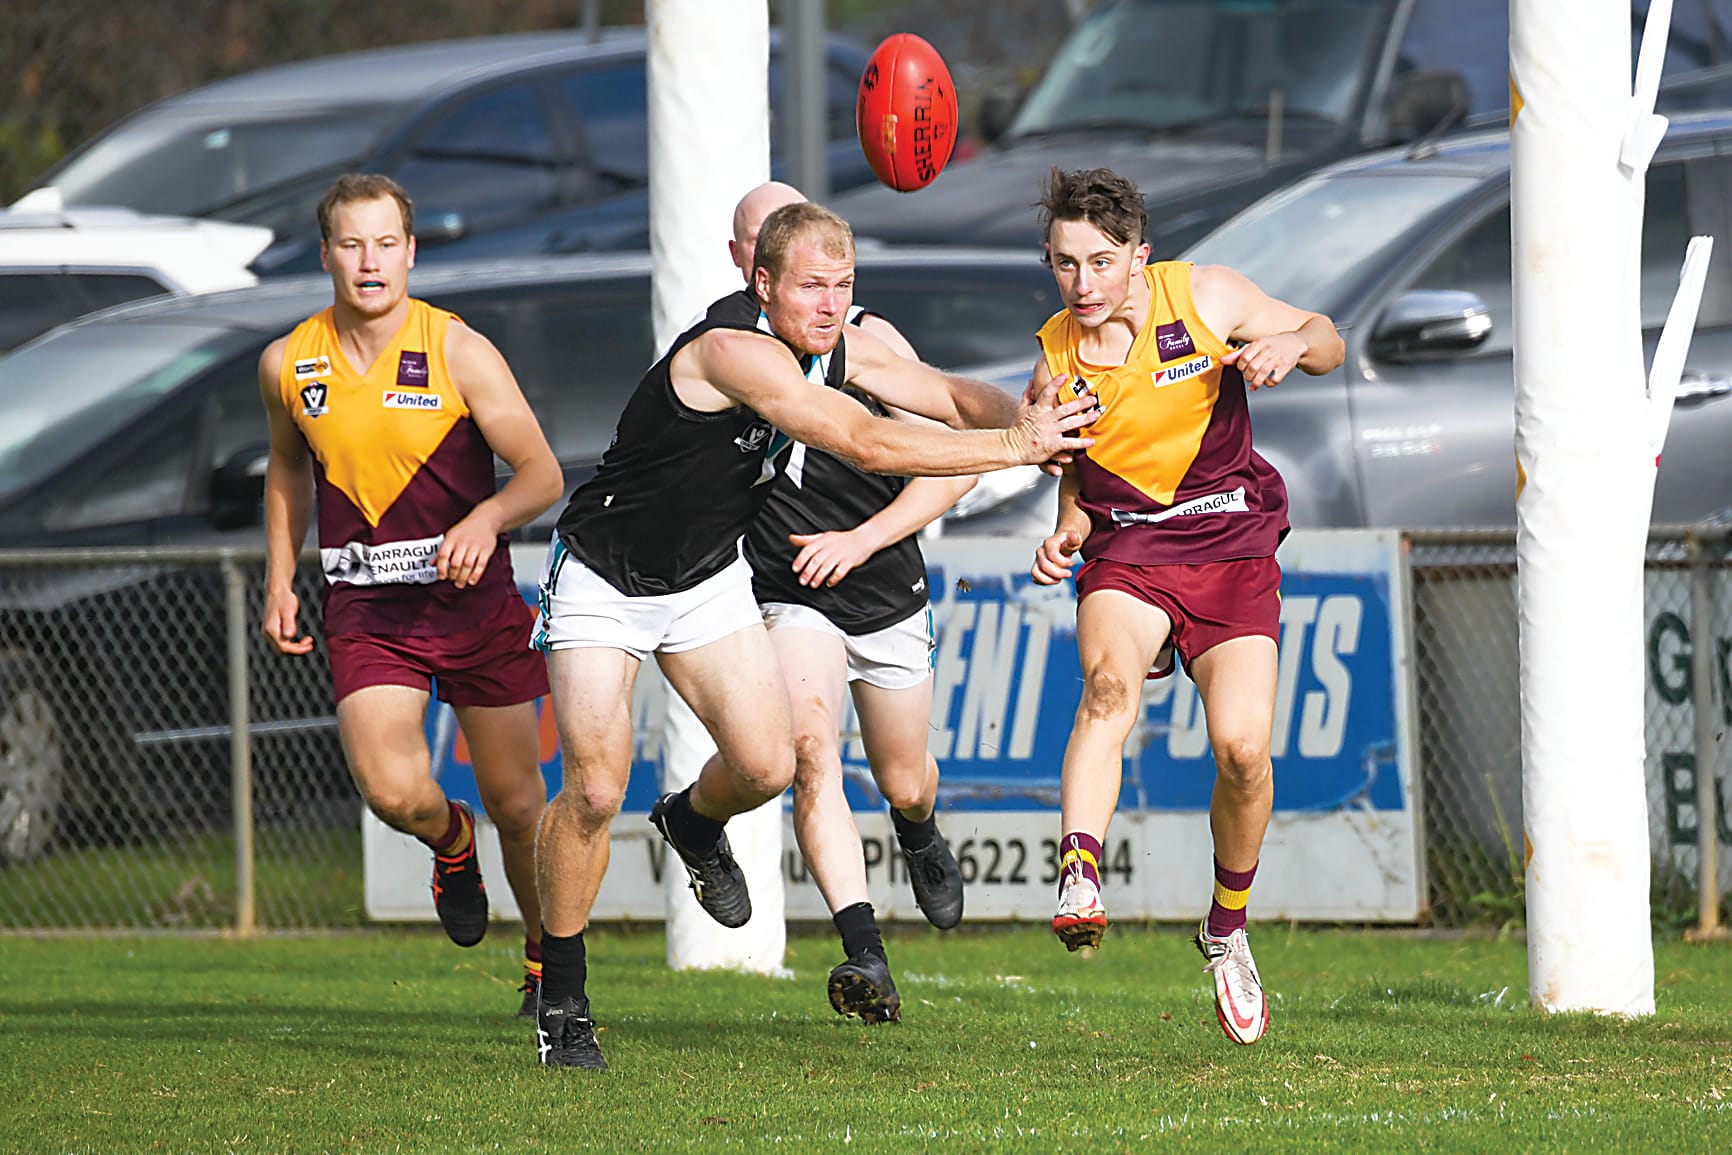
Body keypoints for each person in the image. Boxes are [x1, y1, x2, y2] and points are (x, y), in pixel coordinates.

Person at [532, 199, 1097, 1070]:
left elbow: (946, 394)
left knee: (767, 764)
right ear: (761, 283)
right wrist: (1019, 443)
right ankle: (563, 999)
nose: (831, 306)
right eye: (811, 289)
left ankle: (689, 822)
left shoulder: (836, 342)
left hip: (705, 577)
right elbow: (865, 440)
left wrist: (1030, 409)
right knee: (596, 790)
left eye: (843, 287)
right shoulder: (734, 350)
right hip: (607, 574)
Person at [1026, 167, 1344, 1045]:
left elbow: (1328, 336)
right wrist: (1065, 529)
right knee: (1105, 691)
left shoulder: (1207, 297)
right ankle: (1080, 875)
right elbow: (1080, 482)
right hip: (1130, 550)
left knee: (1242, 751)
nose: (1082, 284)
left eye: (1098, 261)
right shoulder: (1053, 359)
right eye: (1063, 263)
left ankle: (1226, 928)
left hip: (1233, 546)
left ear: (1139, 256)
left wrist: (1290, 348)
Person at [258, 173, 564, 1016]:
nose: (370, 262)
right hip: (370, 613)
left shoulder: (459, 349)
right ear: (326, 255)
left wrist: (486, 519)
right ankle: (449, 841)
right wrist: (281, 575)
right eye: (352, 244)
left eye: (386, 243)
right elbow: (287, 468)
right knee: (392, 788)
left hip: (472, 604)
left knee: (519, 801)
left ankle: (545, 967)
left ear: (411, 252)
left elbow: (542, 473)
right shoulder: (289, 362)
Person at [735, 183, 973, 1023]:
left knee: (904, 777)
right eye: (757, 244)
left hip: (882, 583)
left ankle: (919, 829)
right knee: (810, 751)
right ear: (751, 269)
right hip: (788, 588)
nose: (819, 290)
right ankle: (863, 951)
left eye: (830, 273)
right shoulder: (728, 350)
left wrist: (861, 539)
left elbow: (956, 463)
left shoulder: (873, 343)